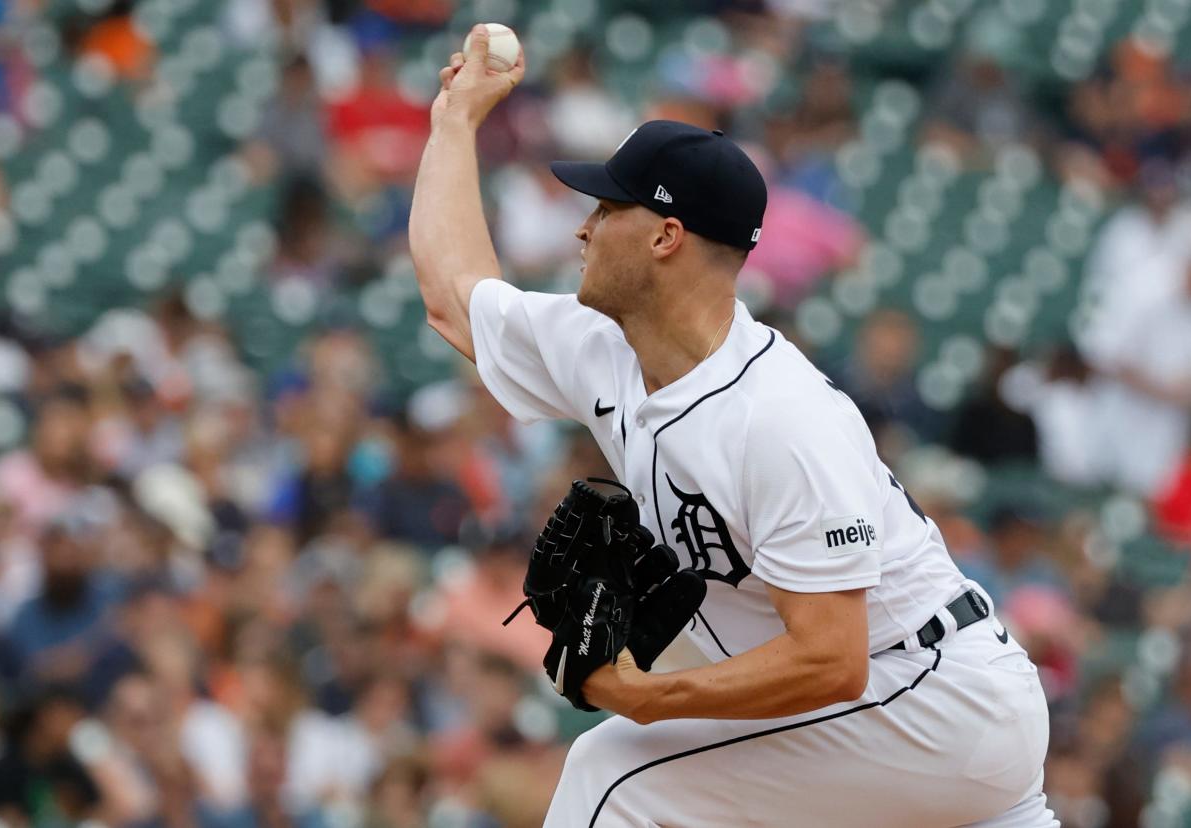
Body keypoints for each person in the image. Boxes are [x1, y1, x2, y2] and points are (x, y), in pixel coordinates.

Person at [408, 27, 1057, 827]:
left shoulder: (780, 418)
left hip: (932, 696)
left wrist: (650, 697)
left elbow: (831, 658)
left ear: (663, 236)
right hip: (898, 718)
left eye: (605, 207)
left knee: (613, 777)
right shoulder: (602, 348)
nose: (582, 228)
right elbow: (453, 294)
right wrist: (453, 120)